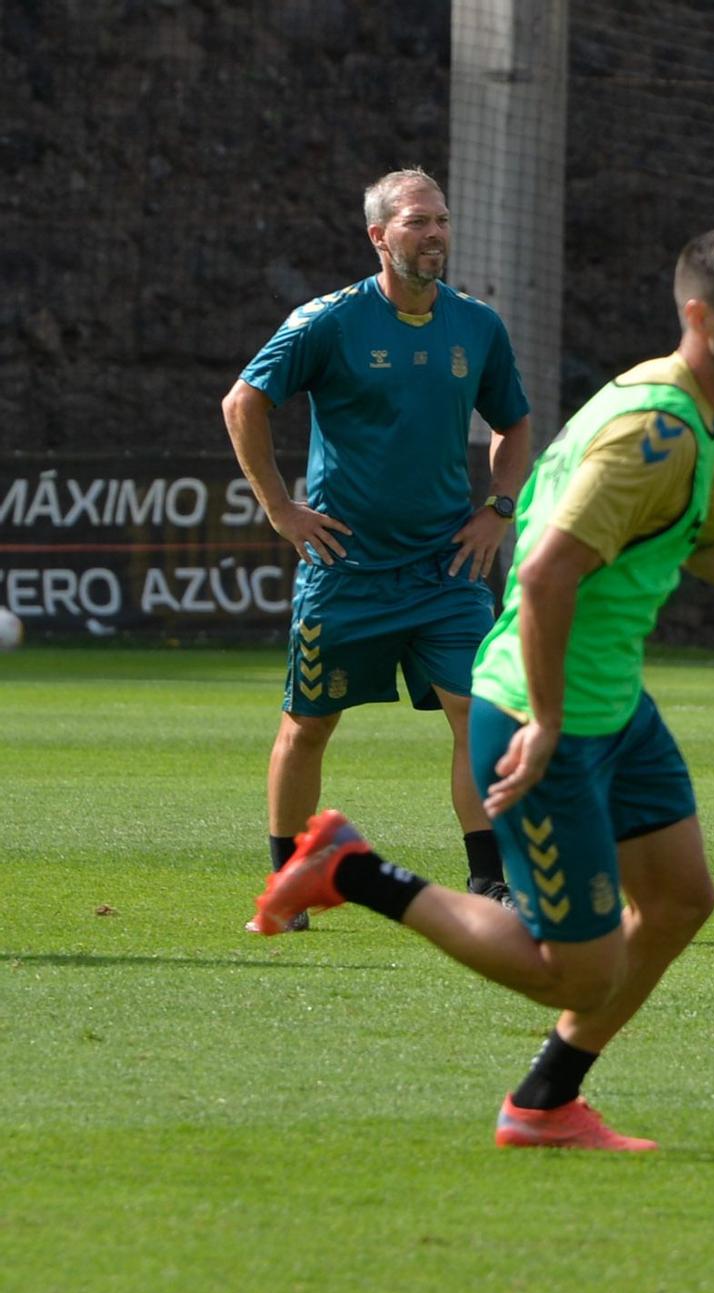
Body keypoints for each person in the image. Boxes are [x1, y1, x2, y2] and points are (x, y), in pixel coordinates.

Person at [250, 226, 714, 1150]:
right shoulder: (656, 429)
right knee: (577, 974)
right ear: (699, 316)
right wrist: (550, 721)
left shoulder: (682, 406)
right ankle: (349, 870)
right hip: (540, 710)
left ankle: (547, 1101)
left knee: (680, 901)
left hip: (613, 709)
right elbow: (549, 571)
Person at [223, 167, 531, 928]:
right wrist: (281, 510)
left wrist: (498, 508)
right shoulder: (328, 321)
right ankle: (288, 883)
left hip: (445, 566)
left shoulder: (477, 325)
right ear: (378, 236)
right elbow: (244, 401)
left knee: (479, 712)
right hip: (345, 567)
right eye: (417, 222)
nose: (434, 235)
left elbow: (515, 423)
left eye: (442, 221)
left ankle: (490, 882)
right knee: (308, 725)